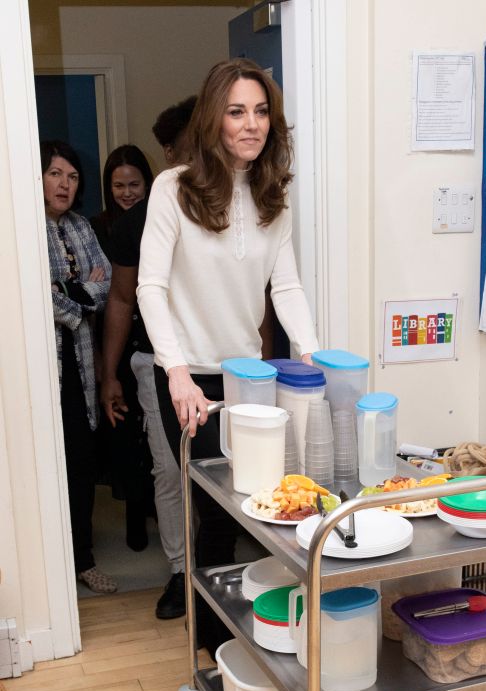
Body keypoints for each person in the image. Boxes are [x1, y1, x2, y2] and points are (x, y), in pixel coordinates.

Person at [137, 59, 319, 655]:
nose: (251, 124)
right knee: (209, 511)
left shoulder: (273, 196)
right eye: (237, 111)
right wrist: (177, 373)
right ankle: (212, 649)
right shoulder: (175, 188)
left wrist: (315, 354)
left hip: (248, 377)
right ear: (214, 116)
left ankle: (246, 634)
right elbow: (150, 287)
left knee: (253, 506)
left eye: (261, 111)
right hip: (189, 377)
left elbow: (285, 287)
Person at [100, 99, 197, 620]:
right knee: (169, 469)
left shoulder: (239, 207)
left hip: (226, 362)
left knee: (225, 468)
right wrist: (108, 373)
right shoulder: (135, 221)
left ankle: (218, 568)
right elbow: (120, 298)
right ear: (169, 150)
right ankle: (183, 571)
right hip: (151, 362)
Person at [41, 139, 116, 594]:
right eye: (55, 174)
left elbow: (104, 280)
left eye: (71, 176)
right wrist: (76, 296)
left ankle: (83, 558)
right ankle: (51, 563)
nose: (64, 183)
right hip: (45, 362)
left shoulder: (82, 227)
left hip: (82, 362)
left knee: (81, 461)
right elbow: (33, 290)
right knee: (47, 462)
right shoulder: (21, 226)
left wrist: (68, 290)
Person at [92, 145, 156, 553]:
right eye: (119, 185)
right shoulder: (95, 227)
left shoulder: (158, 222)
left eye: (135, 184)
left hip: (150, 342)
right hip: (113, 340)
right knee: (125, 432)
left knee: (156, 439)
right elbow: (103, 291)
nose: (127, 193)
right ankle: (135, 512)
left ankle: (153, 505)